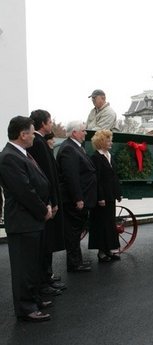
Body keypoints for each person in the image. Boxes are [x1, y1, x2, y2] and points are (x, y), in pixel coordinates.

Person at [0, 116, 53, 322]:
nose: (34, 136)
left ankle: (34, 299)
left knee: (32, 266)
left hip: (31, 220)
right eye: (31, 132)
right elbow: (25, 192)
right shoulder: (9, 157)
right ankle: (26, 307)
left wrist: (46, 204)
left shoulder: (20, 154)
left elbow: (36, 184)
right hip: (23, 222)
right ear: (23, 135)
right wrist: (43, 210)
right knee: (24, 269)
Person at [27, 110, 66, 296]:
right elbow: (46, 176)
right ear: (43, 123)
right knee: (45, 244)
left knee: (47, 243)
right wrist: (53, 201)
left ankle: (47, 277)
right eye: (49, 121)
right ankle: (44, 280)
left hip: (48, 200)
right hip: (46, 202)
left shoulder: (40, 142)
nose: (51, 124)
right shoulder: (39, 143)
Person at [56, 121, 97, 272]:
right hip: (74, 200)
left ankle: (76, 261)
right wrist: (78, 198)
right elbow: (71, 177)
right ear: (74, 132)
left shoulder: (74, 147)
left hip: (80, 198)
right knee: (73, 232)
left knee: (75, 231)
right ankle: (74, 263)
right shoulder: (69, 149)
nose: (85, 133)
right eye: (83, 131)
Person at [88, 130, 122, 262]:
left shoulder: (109, 155)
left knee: (109, 224)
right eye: (108, 140)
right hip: (102, 197)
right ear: (101, 142)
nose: (111, 142)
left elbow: (114, 176)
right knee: (101, 224)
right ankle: (102, 252)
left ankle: (109, 250)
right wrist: (100, 197)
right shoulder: (96, 157)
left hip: (110, 196)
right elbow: (97, 179)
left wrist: (118, 193)